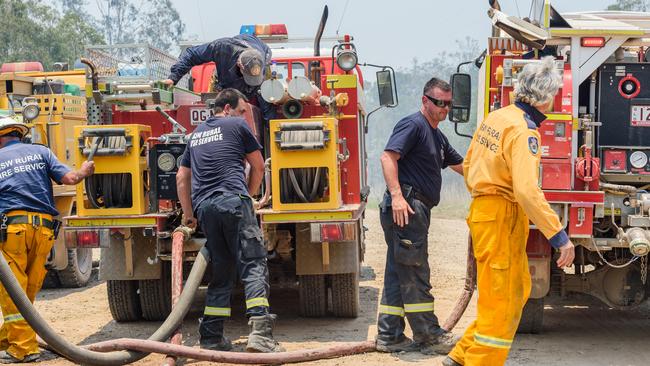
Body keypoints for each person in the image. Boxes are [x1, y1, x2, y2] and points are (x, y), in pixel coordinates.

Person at [444, 57, 575, 366]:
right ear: (544, 97)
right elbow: (528, 192)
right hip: (500, 216)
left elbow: (470, 163)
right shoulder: (524, 133)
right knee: (501, 298)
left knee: (517, 288)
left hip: (489, 212)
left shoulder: (498, 117)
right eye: (554, 93)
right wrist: (559, 237)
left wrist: (485, 198)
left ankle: (462, 356)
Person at [176, 88, 283, 353]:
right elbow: (258, 167)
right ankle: (261, 335)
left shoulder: (196, 134)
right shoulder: (236, 125)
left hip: (205, 209)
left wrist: (189, 215)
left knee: (222, 269)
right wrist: (248, 196)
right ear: (227, 109)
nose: (245, 116)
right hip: (234, 202)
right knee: (254, 263)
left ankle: (211, 337)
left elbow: (181, 177)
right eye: (242, 110)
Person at [376, 77, 464, 355]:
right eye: (439, 103)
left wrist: (495, 175)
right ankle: (428, 335)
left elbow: (462, 165)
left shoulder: (437, 136)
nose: (444, 109)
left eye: (448, 104)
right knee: (415, 271)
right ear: (425, 100)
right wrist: (398, 197)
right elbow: (388, 157)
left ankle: (389, 335)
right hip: (408, 207)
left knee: (397, 269)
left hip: (416, 208)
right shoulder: (413, 124)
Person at [0, 117, 94, 363]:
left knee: (13, 292)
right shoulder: (40, 152)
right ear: (19, 134)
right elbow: (71, 179)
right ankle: (8, 338)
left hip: (12, 232)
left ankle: (23, 349)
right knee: (26, 290)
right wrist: (85, 170)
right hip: (44, 231)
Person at [164, 34, 274, 125]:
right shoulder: (222, 48)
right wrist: (173, 78)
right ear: (239, 64)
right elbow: (191, 54)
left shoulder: (261, 60)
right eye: (247, 77)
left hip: (259, 53)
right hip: (226, 75)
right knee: (219, 103)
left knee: (267, 104)